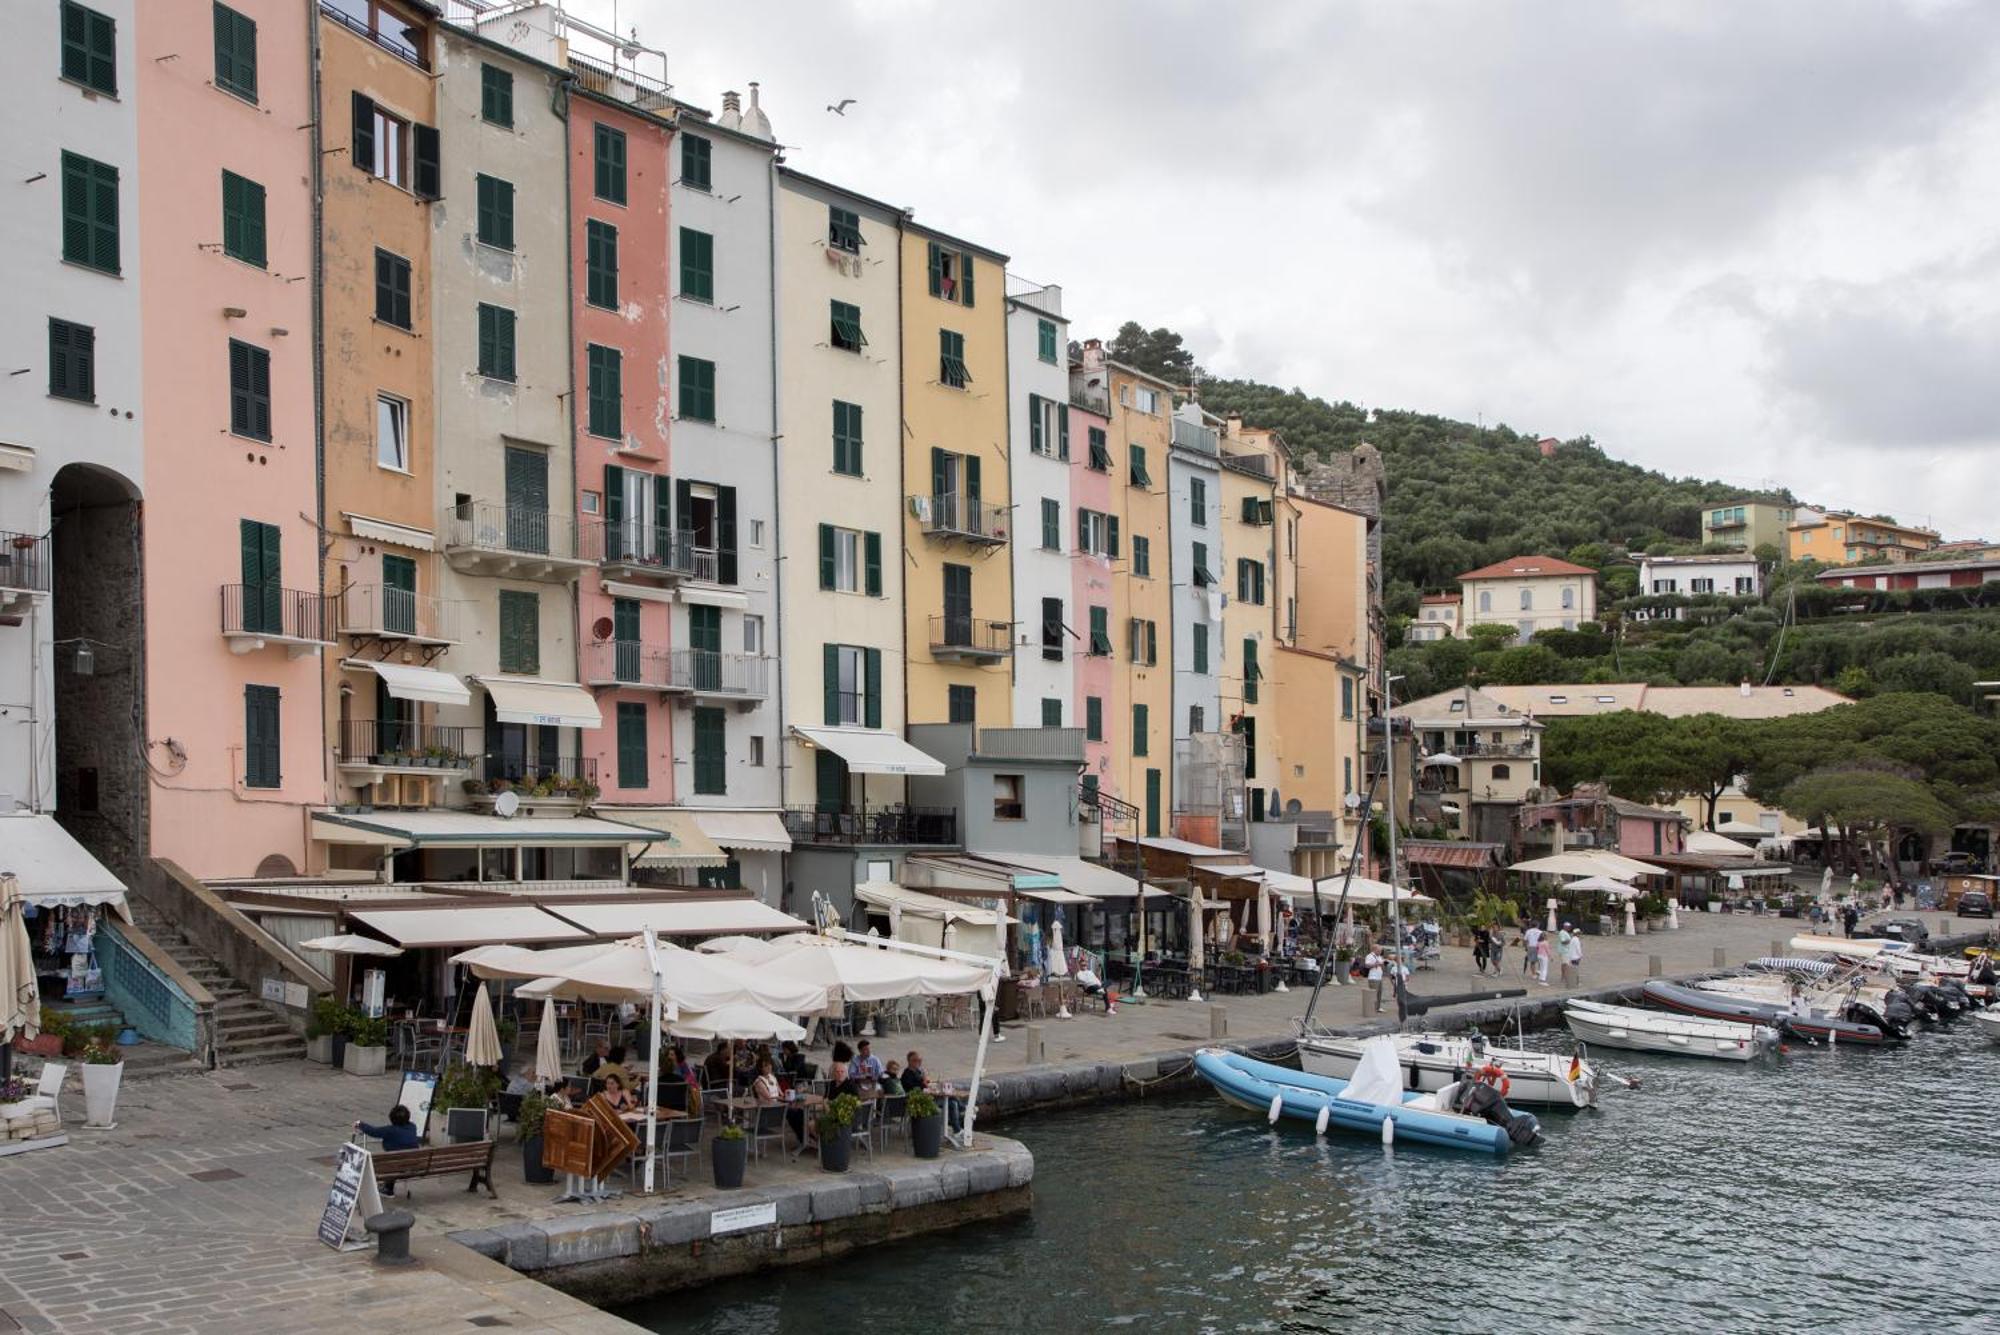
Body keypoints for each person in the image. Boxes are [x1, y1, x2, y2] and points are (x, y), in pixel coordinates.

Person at [355, 1104, 421, 1151]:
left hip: (394, 1163)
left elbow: (373, 1132)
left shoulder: (390, 1130)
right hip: (413, 1162)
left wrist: (360, 1124)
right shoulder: (413, 1127)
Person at [1361, 945, 1384, 1015]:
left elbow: (1381, 964)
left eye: (1381, 951)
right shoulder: (1369, 956)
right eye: (1379, 950)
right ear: (1374, 949)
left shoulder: (1379, 956)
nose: (1380, 952)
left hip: (1379, 977)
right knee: (1374, 993)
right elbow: (1367, 965)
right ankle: (1373, 1008)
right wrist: (1375, 964)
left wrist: (1383, 964)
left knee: (1379, 993)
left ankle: (1378, 1007)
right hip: (1373, 977)